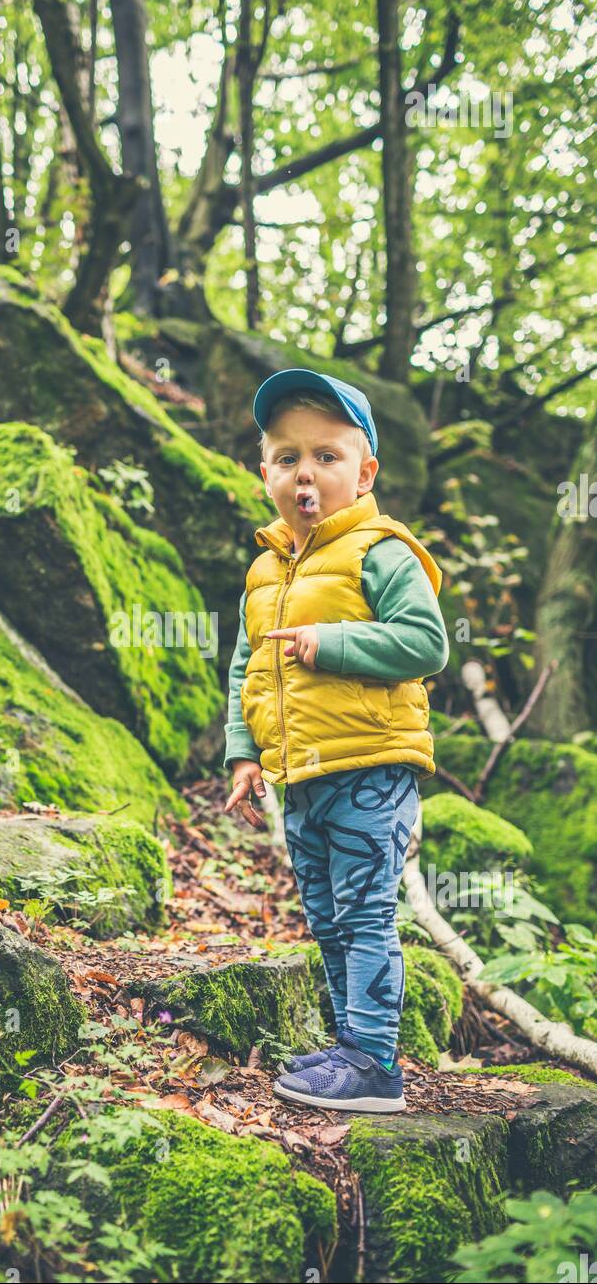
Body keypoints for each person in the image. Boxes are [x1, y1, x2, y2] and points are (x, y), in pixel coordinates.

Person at [222, 368, 449, 1112]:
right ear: (266, 474)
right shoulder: (265, 570)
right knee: (324, 914)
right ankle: (351, 1043)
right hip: (300, 775)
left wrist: (331, 642)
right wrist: (244, 752)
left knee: (364, 912)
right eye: (288, 458)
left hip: (371, 766)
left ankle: (378, 1063)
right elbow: (244, 668)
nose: (306, 474)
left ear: (365, 471)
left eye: (327, 456)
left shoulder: (378, 550)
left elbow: (425, 643)